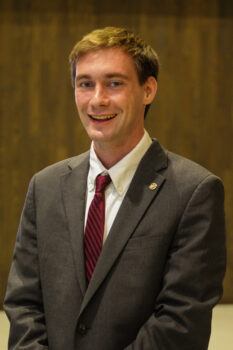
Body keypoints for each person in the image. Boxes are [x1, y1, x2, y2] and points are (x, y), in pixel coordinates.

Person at [4, 27, 226, 350]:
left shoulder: (194, 192)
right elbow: (23, 305)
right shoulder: (45, 187)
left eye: (114, 83)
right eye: (85, 84)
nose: (98, 99)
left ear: (148, 90)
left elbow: (181, 322)